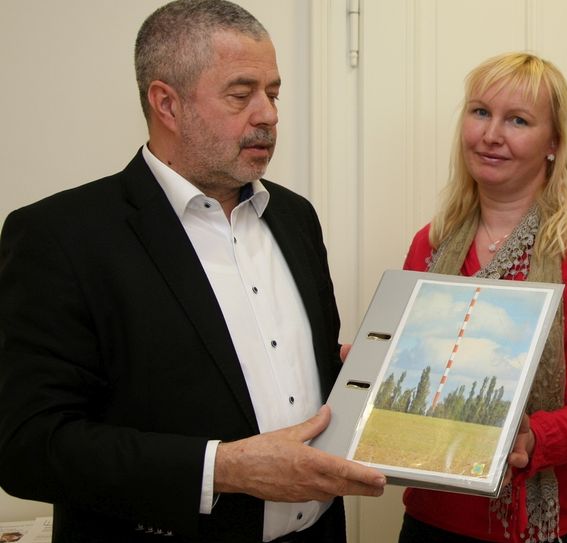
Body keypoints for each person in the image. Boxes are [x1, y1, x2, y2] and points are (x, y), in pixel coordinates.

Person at [0, 1, 386, 541]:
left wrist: (354, 378)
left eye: (273, 93)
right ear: (167, 104)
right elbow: (28, 446)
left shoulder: (296, 217)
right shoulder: (60, 236)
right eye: (241, 93)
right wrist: (223, 469)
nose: (269, 114)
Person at [396, 52, 567, 543]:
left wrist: (533, 437)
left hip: (551, 524)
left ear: (553, 142)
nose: (491, 135)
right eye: (481, 112)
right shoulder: (432, 242)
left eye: (518, 120)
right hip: (432, 520)